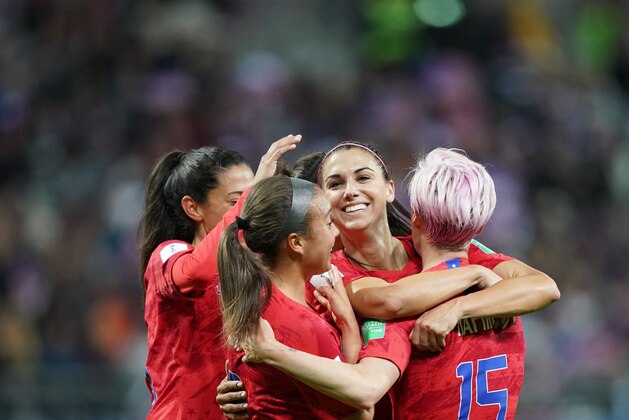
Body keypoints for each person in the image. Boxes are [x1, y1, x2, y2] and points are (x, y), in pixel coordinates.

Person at [229, 143, 559, 419]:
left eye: (362, 177)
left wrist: (458, 308)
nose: (351, 191)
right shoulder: (328, 276)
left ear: (389, 189)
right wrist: (250, 382)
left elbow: (544, 287)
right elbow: (386, 303)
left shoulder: (437, 243)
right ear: (321, 203)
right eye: (335, 184)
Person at [138, 134, 301, 419]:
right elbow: (195, 271)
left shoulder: (248, 267)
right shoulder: (168, 255)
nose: (248, 212)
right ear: (193, 207)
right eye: (236, 201)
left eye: (251, 199)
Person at [218, 175, 368, 419]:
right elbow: (360, 413)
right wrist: (350, 327)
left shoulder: (249, 297)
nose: (336, 233)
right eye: (329, 223)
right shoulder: (301, 325)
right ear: (296, 243)